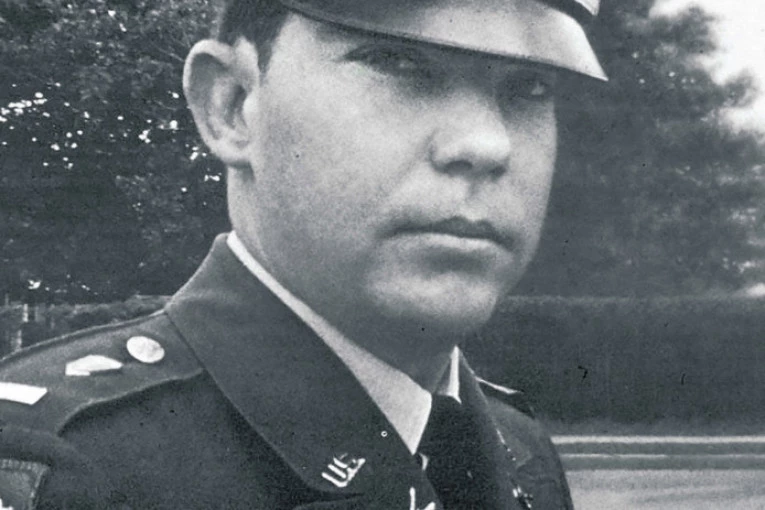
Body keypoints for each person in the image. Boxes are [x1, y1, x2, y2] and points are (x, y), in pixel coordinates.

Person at [0, 0, 606, 508]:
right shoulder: (56, 466)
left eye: (530, 88)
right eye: (399, 64)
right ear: (232, 105)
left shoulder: (517, 449)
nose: (488, 144)